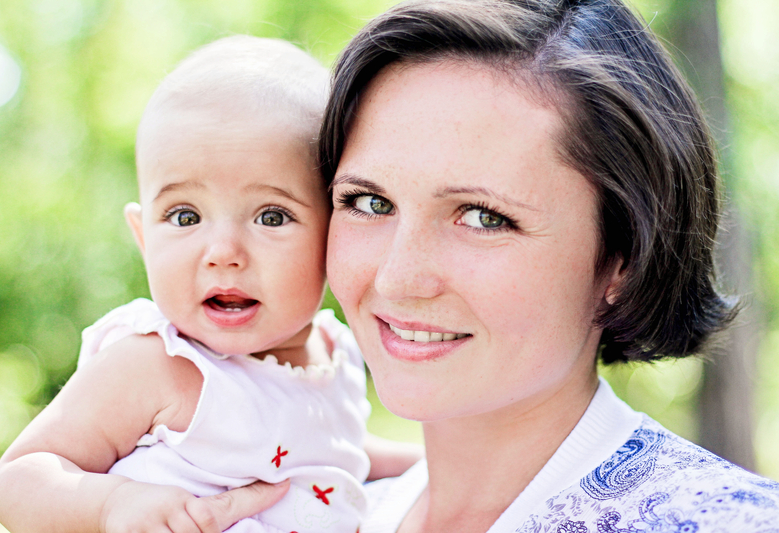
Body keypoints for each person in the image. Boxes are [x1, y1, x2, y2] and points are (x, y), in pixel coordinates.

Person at [317, 0, 779, 531]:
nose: (396, 279)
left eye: (484, 217)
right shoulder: (310, 513)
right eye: (369, 202)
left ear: (624, 259)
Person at [0, 36, 421, 533]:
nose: (223, 252)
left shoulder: (335, 350)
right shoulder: (157, 364)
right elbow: (21, 478)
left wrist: (431, 464)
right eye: (185, 216)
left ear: (334, 233)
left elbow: (329, 453)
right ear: (143, 238)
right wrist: (113, 505)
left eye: (271, 216)